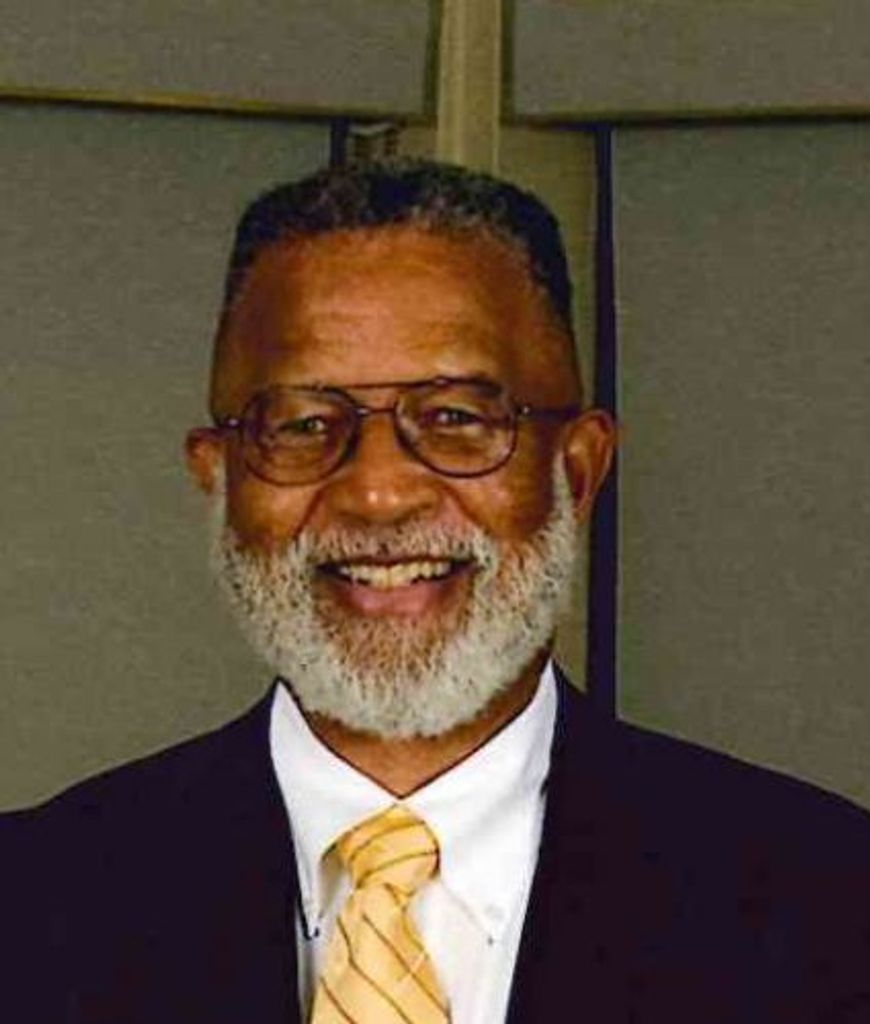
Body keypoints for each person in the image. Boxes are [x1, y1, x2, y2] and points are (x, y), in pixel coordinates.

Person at [3, 160, 870, 1023]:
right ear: (219, 476)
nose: (379, 493)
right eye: (303, 425)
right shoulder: (33, 908)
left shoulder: (829, 909)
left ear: (578, 468)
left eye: (457, 418)